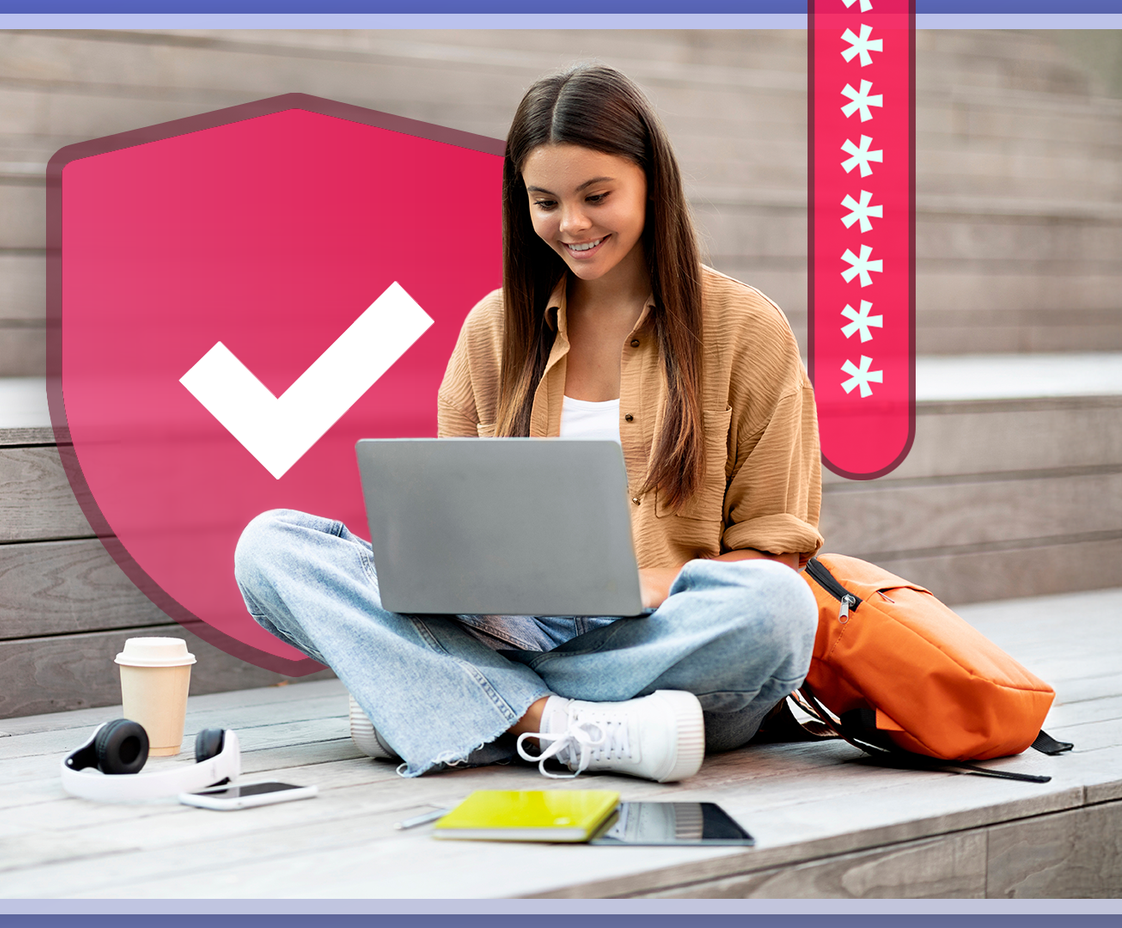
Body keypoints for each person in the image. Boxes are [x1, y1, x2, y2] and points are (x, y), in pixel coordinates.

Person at [233, 65, 822, 783]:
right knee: (270, 549)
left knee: (778, 611)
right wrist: (458, 589)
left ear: (651, 184)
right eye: (546, 202)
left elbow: (776, 551)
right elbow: (451, 537)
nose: (572, 225)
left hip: (666, 643)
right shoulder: (492, 331)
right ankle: (559, 726)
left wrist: (660, 582)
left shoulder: (746, 327)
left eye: (596, 196)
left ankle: (448, 703)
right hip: (513, 629)